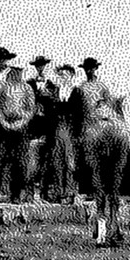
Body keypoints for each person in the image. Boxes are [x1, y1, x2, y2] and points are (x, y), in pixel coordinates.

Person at [0, 57, 36, 203]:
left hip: (21, 129)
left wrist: (21, 123)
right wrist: (4, 123)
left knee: (20, 163)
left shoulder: (27, 88)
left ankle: (16, 195)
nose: (16, 74)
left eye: (19, 71)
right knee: (0, 160)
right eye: (14, 71)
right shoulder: (3, 87)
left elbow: (30, 110)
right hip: (5, 128)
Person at [76, 57, 112, 199]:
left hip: (100, 126)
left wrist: (101, 111)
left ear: (96, 69)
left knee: (101, 159)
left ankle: (101, 189)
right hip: (86, 126)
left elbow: (108, 106)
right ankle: (87, 190)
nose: (89, 71)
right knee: (86, 159)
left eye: (91, 68)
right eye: (86, 69)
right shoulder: (81, 87)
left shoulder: (102, 87)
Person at [47, 63, 79, 204]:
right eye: (60, 75)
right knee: (58, 162)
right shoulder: (56, 92)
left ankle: (71, 192)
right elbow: (51, 113)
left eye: (65, 75)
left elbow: (80, 114)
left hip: (71, 130)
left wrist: (78, 133)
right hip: (58, 129)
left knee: (70, 162)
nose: (63, 77)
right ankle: (60, 192)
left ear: (71, 76)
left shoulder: (76, 92)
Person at [26, 56, 57, 202]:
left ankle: (44, 193)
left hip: (48, 131)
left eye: (42, 65)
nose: (40, 68)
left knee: (46, 163)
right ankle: (29, 192)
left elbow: (55, 111)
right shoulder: (28, 85)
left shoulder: (53, 87)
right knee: (32, 163)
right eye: (38, 66)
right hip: (32, 131)